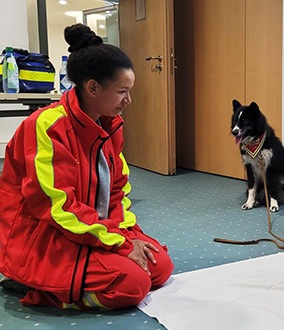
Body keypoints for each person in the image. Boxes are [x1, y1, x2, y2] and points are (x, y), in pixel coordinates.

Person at [0, 23, 174, 309]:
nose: (128, 101)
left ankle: (83, 273)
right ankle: (37, 285)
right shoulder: (47, 126)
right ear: (93, 87)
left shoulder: (109, 126)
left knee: (160, 266)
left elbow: (118, 191)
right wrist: (121, 245)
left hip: (86, 228)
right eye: (122, 92)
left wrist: (125, 236)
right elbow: (58, 207)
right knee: (133, 285)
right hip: (45, 234)